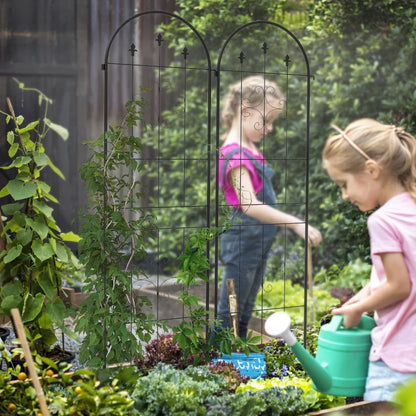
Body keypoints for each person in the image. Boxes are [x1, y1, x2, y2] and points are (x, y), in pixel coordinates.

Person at [216, 76, 322, 339]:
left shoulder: (249, 147)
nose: (270, 128)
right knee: (231, 307)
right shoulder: (236, 155)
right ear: (244, 112)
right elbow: (249, 204)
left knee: (246, 304)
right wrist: (296, 223)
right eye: (265, 120)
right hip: (242, 241)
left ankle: (234, 356)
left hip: (256, 240)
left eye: (273, 121)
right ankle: (217, 356)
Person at [322, 118, 416, 402]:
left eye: (344, 184)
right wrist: (358, 299)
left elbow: (400, 285)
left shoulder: (382, 221)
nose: (344, 194)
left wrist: (358, 308)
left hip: (396, 360)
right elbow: (389, 277)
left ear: (372, 170)